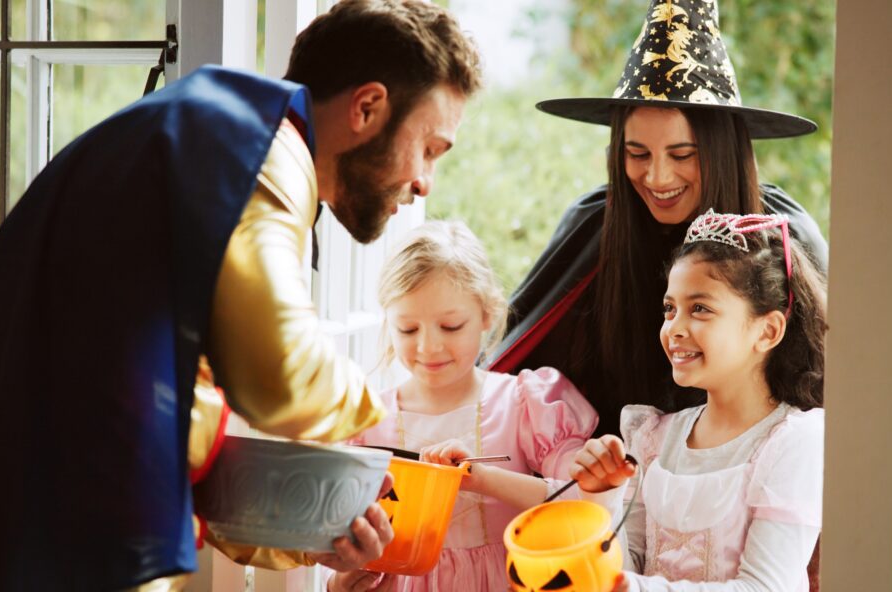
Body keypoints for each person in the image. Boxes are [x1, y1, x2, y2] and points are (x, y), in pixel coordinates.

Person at [0, 1, 481, 590]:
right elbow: (278, 380)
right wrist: (382, 417)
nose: (423, 182)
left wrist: (317, 524)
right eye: (431, 149)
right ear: (367, 107)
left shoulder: (213, 134)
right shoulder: (260, 157)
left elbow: (163, 418)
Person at [486, 0, 830, 439]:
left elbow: (836, 370)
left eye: (682, 154)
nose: (657, 177)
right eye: (637, 154)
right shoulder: (596, 224)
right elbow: (521, 360)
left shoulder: (781, 234)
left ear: (722, 151)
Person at [329, 221, 598, 592]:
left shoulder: (524, 403)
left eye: (451, 326)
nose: (429, 347)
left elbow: (586, 500)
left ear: (487, 313)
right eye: (408, 329)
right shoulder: (366, 422)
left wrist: (483, 479)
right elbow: (342, 548)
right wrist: (341, 585)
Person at [569, 210, 827, 591]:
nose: (674, 328)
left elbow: (767, 588)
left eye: (700, 309)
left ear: (768, 330)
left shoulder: (791, 443)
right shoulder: (654, 439)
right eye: (669, 309)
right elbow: (622, 569)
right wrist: (603, 498)